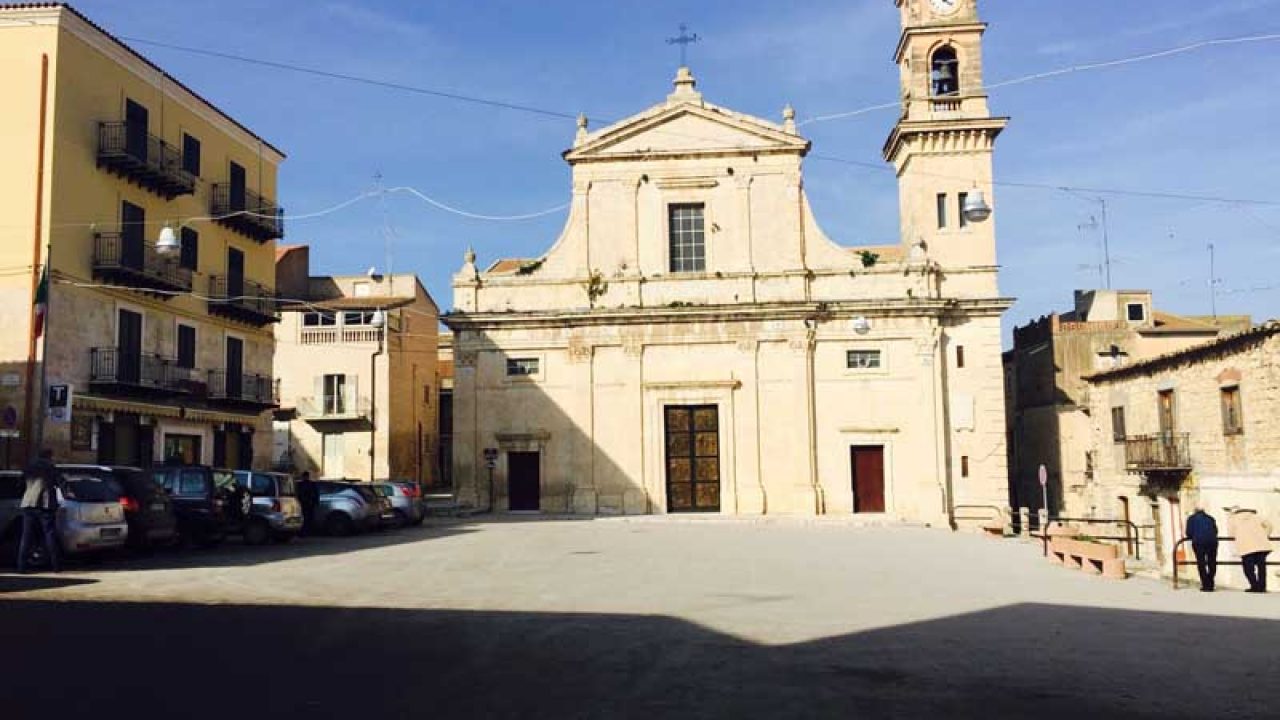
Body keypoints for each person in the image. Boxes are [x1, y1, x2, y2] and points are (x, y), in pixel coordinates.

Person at [17, 449, 62, 573]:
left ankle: (21, 566)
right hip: (45, 504)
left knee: (26, 536)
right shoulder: (50, 467)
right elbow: (60, 483)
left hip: (28, 503)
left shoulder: (29, 467)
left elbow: (19, 484)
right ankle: (56, 566)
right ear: (49, 456)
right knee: (50, 534)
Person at [1228, 508, 1273, 593]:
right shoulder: (1257, 517)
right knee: (1261, 567)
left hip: (1246, 546)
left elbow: (1231, 533)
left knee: (1248, 568)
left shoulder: (1234, 519)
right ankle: (1262, 587)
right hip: (1261, 545)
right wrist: (1265, 535)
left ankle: (1254, 586)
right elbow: (1269, 526)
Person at [1185, 507, 1219, 592]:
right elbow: (1215, 531)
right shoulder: (1210, 518)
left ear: (1195, 512)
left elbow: (1189, 533)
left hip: (1199, 542)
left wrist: (1193, 536)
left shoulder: (1191, 519)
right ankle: (1210, 582)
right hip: (1212, 542)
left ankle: (1205, 584)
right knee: (1212, 562)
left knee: (1201, 563)